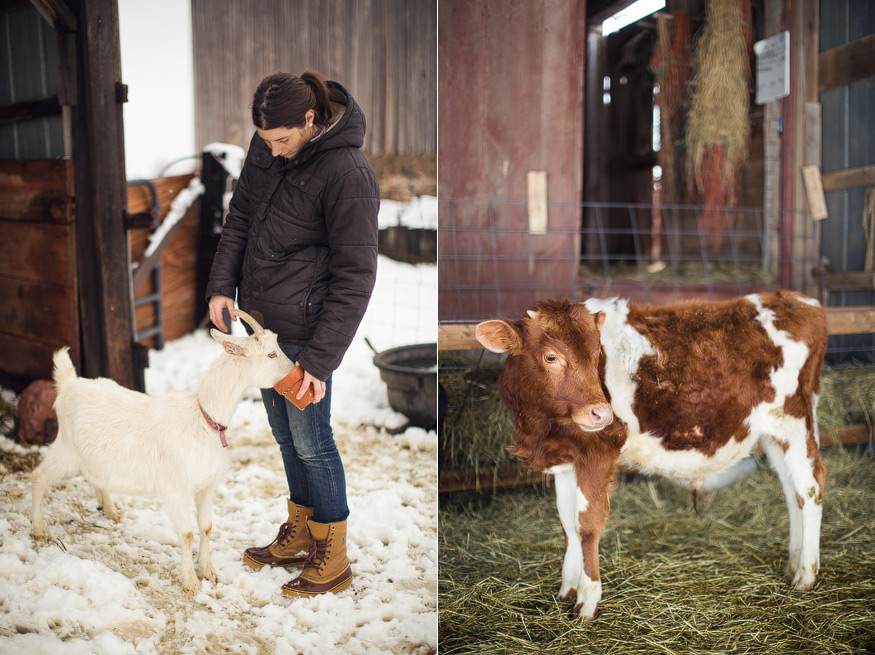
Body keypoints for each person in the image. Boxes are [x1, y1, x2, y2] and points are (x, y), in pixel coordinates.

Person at [206, 70, 379, 598]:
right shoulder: (268, 150)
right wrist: (221, 285)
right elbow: (240, 217)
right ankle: (302, 532)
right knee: (285, 438)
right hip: (265, 330)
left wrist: (320, 361)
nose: (274, 152)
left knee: (313, 441)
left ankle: (333, 555)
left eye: (282, 140)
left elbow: (356, 276)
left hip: (306, 334)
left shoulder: (348, 172)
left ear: (311, 120)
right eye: (265, 142)